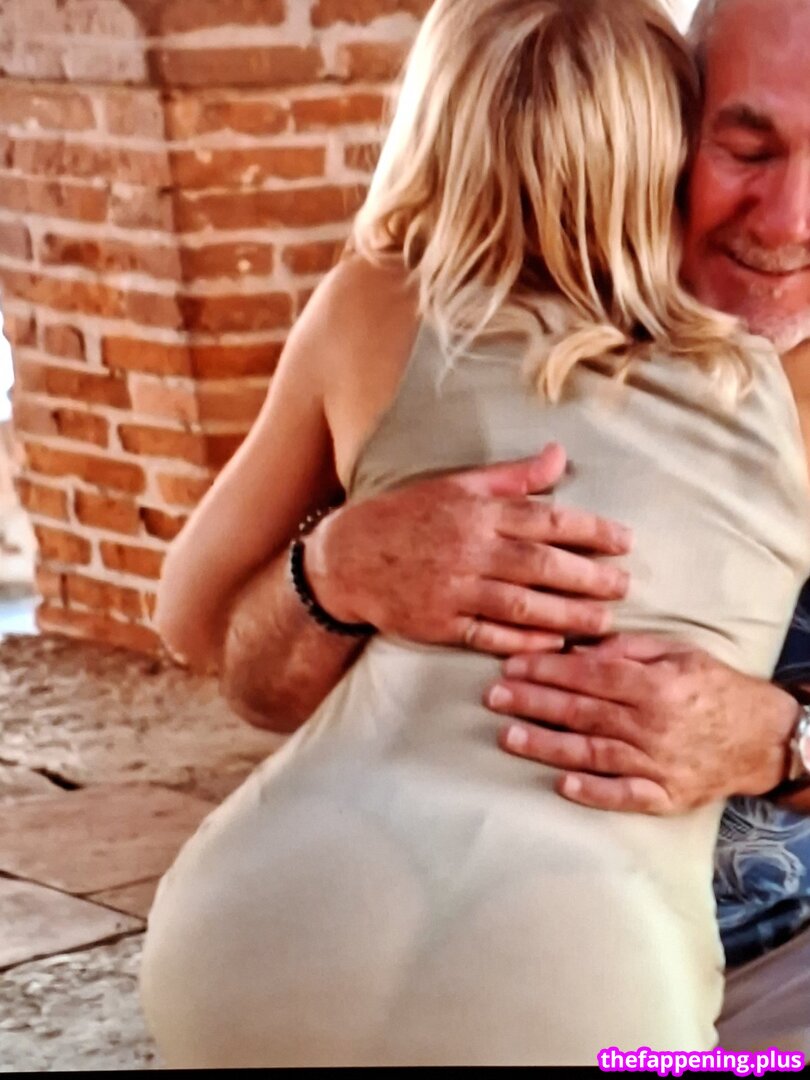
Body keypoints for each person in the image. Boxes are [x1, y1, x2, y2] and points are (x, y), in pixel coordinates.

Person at [141, 0, 810, 1066]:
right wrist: (333, 569)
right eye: (746, 147)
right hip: (586, 969)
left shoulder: (380, 308)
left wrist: (785, 741)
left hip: (760, 969)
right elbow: (218, 641)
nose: (787, 219)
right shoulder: (414, 315)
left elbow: (179, 615)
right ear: (672, 128)